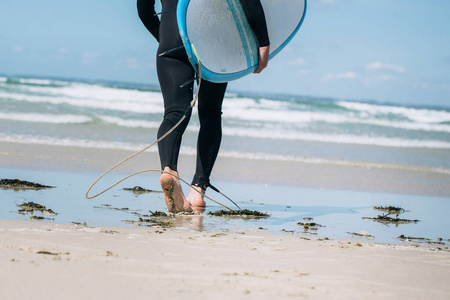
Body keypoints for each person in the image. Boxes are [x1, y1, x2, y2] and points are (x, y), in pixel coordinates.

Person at [137, 0, 270, 213]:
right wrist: (263, 42)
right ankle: (198, 190)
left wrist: (167, 37)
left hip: (173, 32)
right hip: (211, 36)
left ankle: (169, 171)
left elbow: (143, 10)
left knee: (174, 112)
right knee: (210, 113)